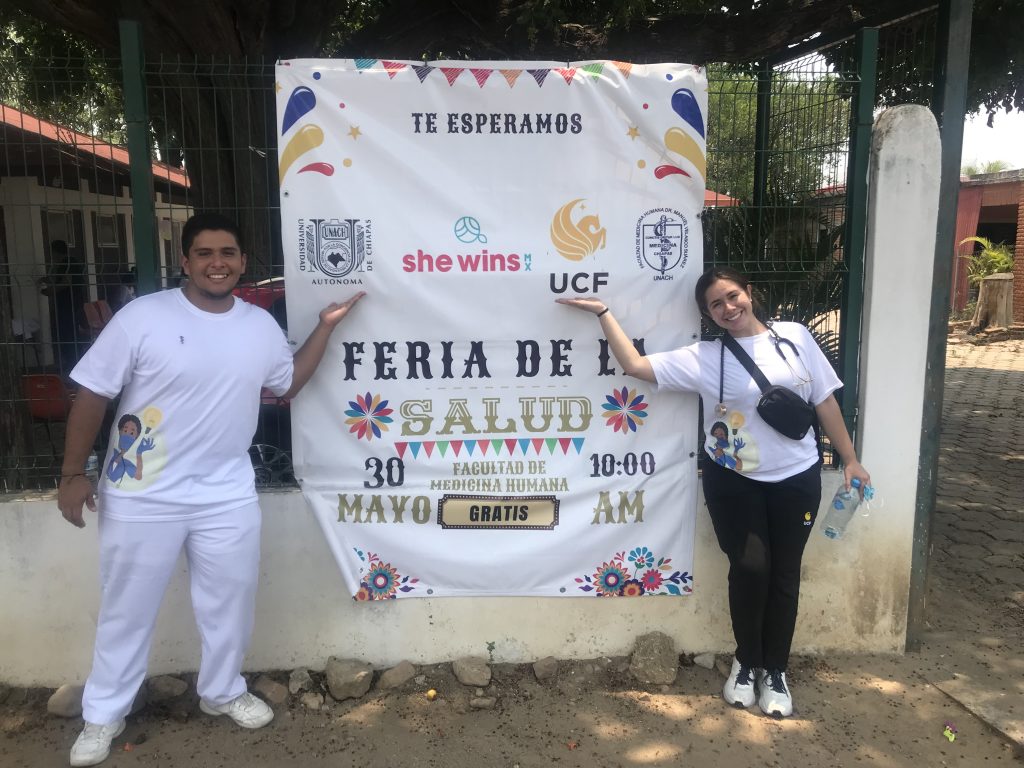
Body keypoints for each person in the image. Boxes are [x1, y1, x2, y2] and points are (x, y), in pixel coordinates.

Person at [57, 213, 366, 767]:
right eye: (204, 253)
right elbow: (92, 395)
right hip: (142, 492)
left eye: (227, 252)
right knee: (128, 609)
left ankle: (222, 691)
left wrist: (325, 327)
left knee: (230, 602)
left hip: (225, 493)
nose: (217, 263)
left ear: (243, 262)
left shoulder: (258, 325)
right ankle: (103, 715)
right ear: (185, 262)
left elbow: (286, 382)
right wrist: (73, 474)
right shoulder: (142, 318)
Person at [557, 265, 869, 719]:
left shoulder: (794, 338)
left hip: (797, 479)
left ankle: (775, 670)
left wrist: (851, 458)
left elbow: (824, 400)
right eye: (715, 305)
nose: (728, 308)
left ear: (750, 293)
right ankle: (747, 661)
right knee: (749, 569)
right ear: (707, 314)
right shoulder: (706, 357)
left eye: (732, 296)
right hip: (733, 481)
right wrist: (603, 312)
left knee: (784, 574)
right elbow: (636, 366)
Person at [38, 239, 87, 376]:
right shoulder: (65, 263)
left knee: (68, 334)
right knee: (67, 333)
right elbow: (58, 279)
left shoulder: (67, 263)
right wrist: (45, 280)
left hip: (69, 304)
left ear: (55, 252)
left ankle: (73, 365)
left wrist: (51, 291)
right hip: (70, 303)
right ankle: (70, 363)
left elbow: (66, 282)